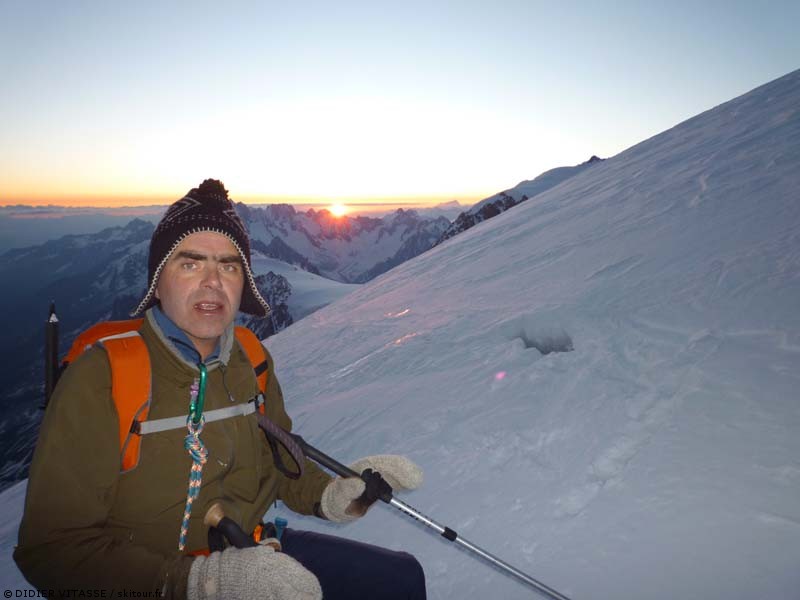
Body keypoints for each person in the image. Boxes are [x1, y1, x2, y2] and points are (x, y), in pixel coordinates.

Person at [14, 179, 427, 600]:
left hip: (257, 551)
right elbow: (52, 550)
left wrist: (332, 496)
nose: (213, 282)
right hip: (154, 582)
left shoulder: (251, 359)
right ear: (158, 283)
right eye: (190, 264)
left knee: (401, 580)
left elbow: (280, 466)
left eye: (229, 266)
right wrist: (200, 581)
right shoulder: (103, 377)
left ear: (243, 283)